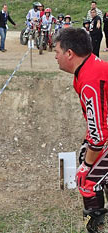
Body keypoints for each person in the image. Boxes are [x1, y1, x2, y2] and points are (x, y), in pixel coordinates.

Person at [54, 27, 108, 233]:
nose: (55, 57)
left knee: (87, 180)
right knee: (90, 160)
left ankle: (96, 229)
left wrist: (86, 165)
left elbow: (99, 136)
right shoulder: (88, 68)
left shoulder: (89, 79)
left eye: (57, 51)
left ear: (70, 53)